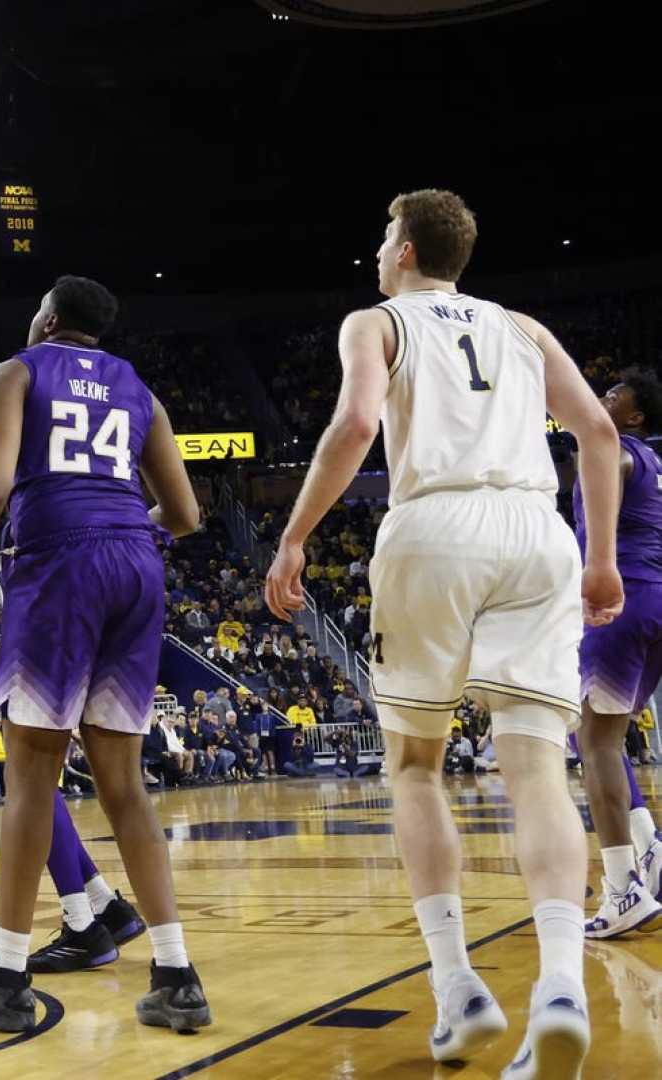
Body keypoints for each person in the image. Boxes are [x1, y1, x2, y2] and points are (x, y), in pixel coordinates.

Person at [263, 190, 622, 1074]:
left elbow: (354, 425)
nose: (378, 251)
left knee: (416, 765)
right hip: (540, 532)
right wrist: (601, 559)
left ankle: (459, 988)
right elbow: (600, 433)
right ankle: (562, 987)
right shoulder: (525, 330)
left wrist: (295, 535)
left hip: (435, 528)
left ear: (408, 250)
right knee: (537, 766)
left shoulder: (376, 321)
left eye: (384, 236)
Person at [0, 274, 208, 1033]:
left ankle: (6, 976)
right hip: (136, 566)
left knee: (32, 777)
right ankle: (176, 974)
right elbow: (185, 513)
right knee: (124, 784)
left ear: (46, 318)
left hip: (59, 563)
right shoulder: (140, 388)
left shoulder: (16, 370)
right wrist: (120, 521)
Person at [570, 372, 662, 938]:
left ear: (634, 418)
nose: (603, 399)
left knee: (595, 742)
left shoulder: (617, 451)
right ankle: (650, 852)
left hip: (622, 598)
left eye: (614, 396)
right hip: (654, 597)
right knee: (609, 733)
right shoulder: (652, 461)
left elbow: (610, 465)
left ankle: (621, 888)